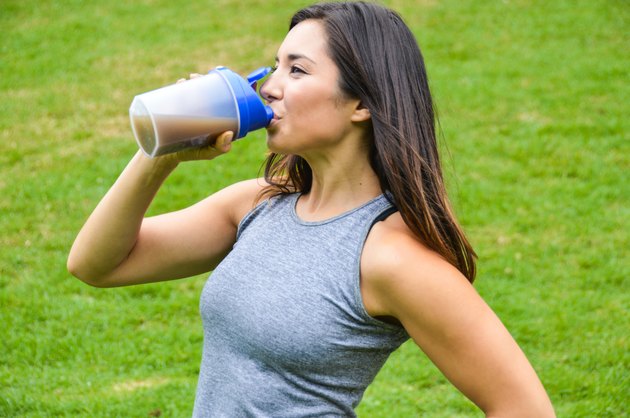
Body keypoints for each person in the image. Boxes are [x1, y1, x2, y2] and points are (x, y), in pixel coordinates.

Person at [68, 1, 555, 417]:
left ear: (361, 103)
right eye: (275, 65)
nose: (270, 86)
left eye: (297, 70)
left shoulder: (391, 258)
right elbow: (97, 264)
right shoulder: (258, 203)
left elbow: (525, 408)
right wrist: (161, 153)